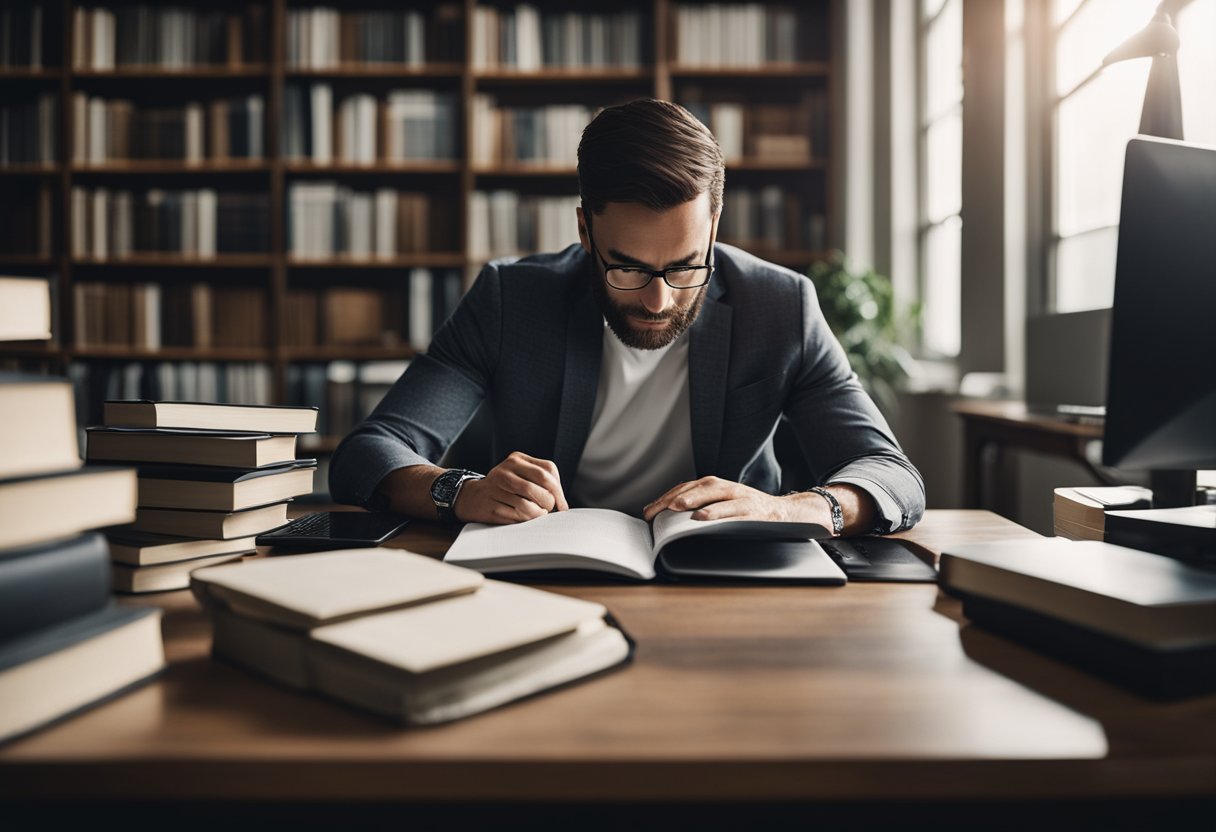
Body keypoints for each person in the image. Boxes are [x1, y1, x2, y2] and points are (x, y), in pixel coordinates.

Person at [329, 99, 924, 536]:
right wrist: (460, 490)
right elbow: (371, 450)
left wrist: (793, 506)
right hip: (551, 571)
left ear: (714, 227)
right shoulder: (511, 298)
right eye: (630, 269)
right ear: (585, 229)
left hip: (731, 574)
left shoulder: (781, 304)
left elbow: (892, 475)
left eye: (686, 266)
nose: (659, 301)